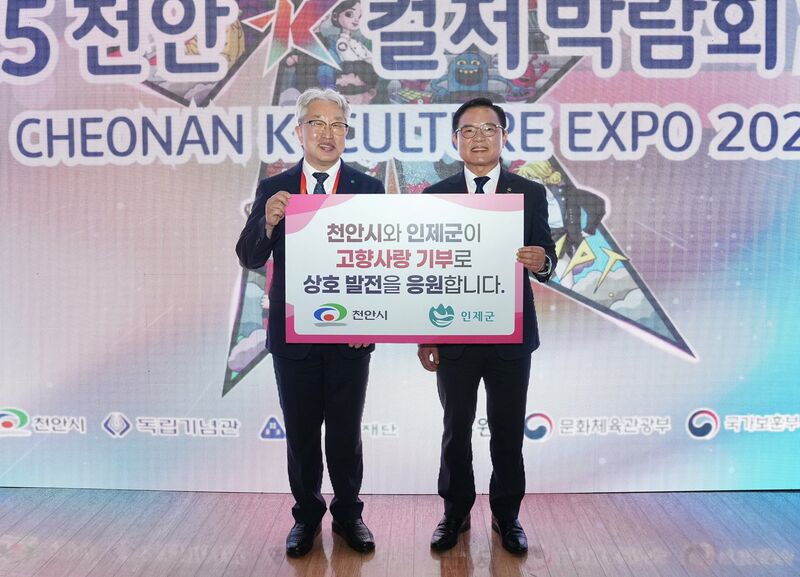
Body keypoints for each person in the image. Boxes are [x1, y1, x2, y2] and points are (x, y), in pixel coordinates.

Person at [236, 88, 385, 557]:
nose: (327, 133)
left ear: (347, 133)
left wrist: (370, 320)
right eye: (317, 123)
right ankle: (306, 517)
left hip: (350, 335)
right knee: (301, 435)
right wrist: (267, 222)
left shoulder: (368, 188)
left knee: (345, 433)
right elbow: (248, 256)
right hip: (293, 333)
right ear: (299, 131)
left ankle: (349, 515)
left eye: (337, 124)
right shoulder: (275, 188)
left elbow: (385, 261)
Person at [417, 97, 557, 555]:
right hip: (453, 334)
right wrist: (425, 335)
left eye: (489, 129)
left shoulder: (528, 193)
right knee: (455, 429)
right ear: (455, 140)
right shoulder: (436, 196)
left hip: (509, 337)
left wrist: (541, 261)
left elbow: (547, 258)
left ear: (503, 136)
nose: (479, 138)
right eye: (469, 130)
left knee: (508, 430)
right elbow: (426, 270)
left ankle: (507, 516)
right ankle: (455, 513)